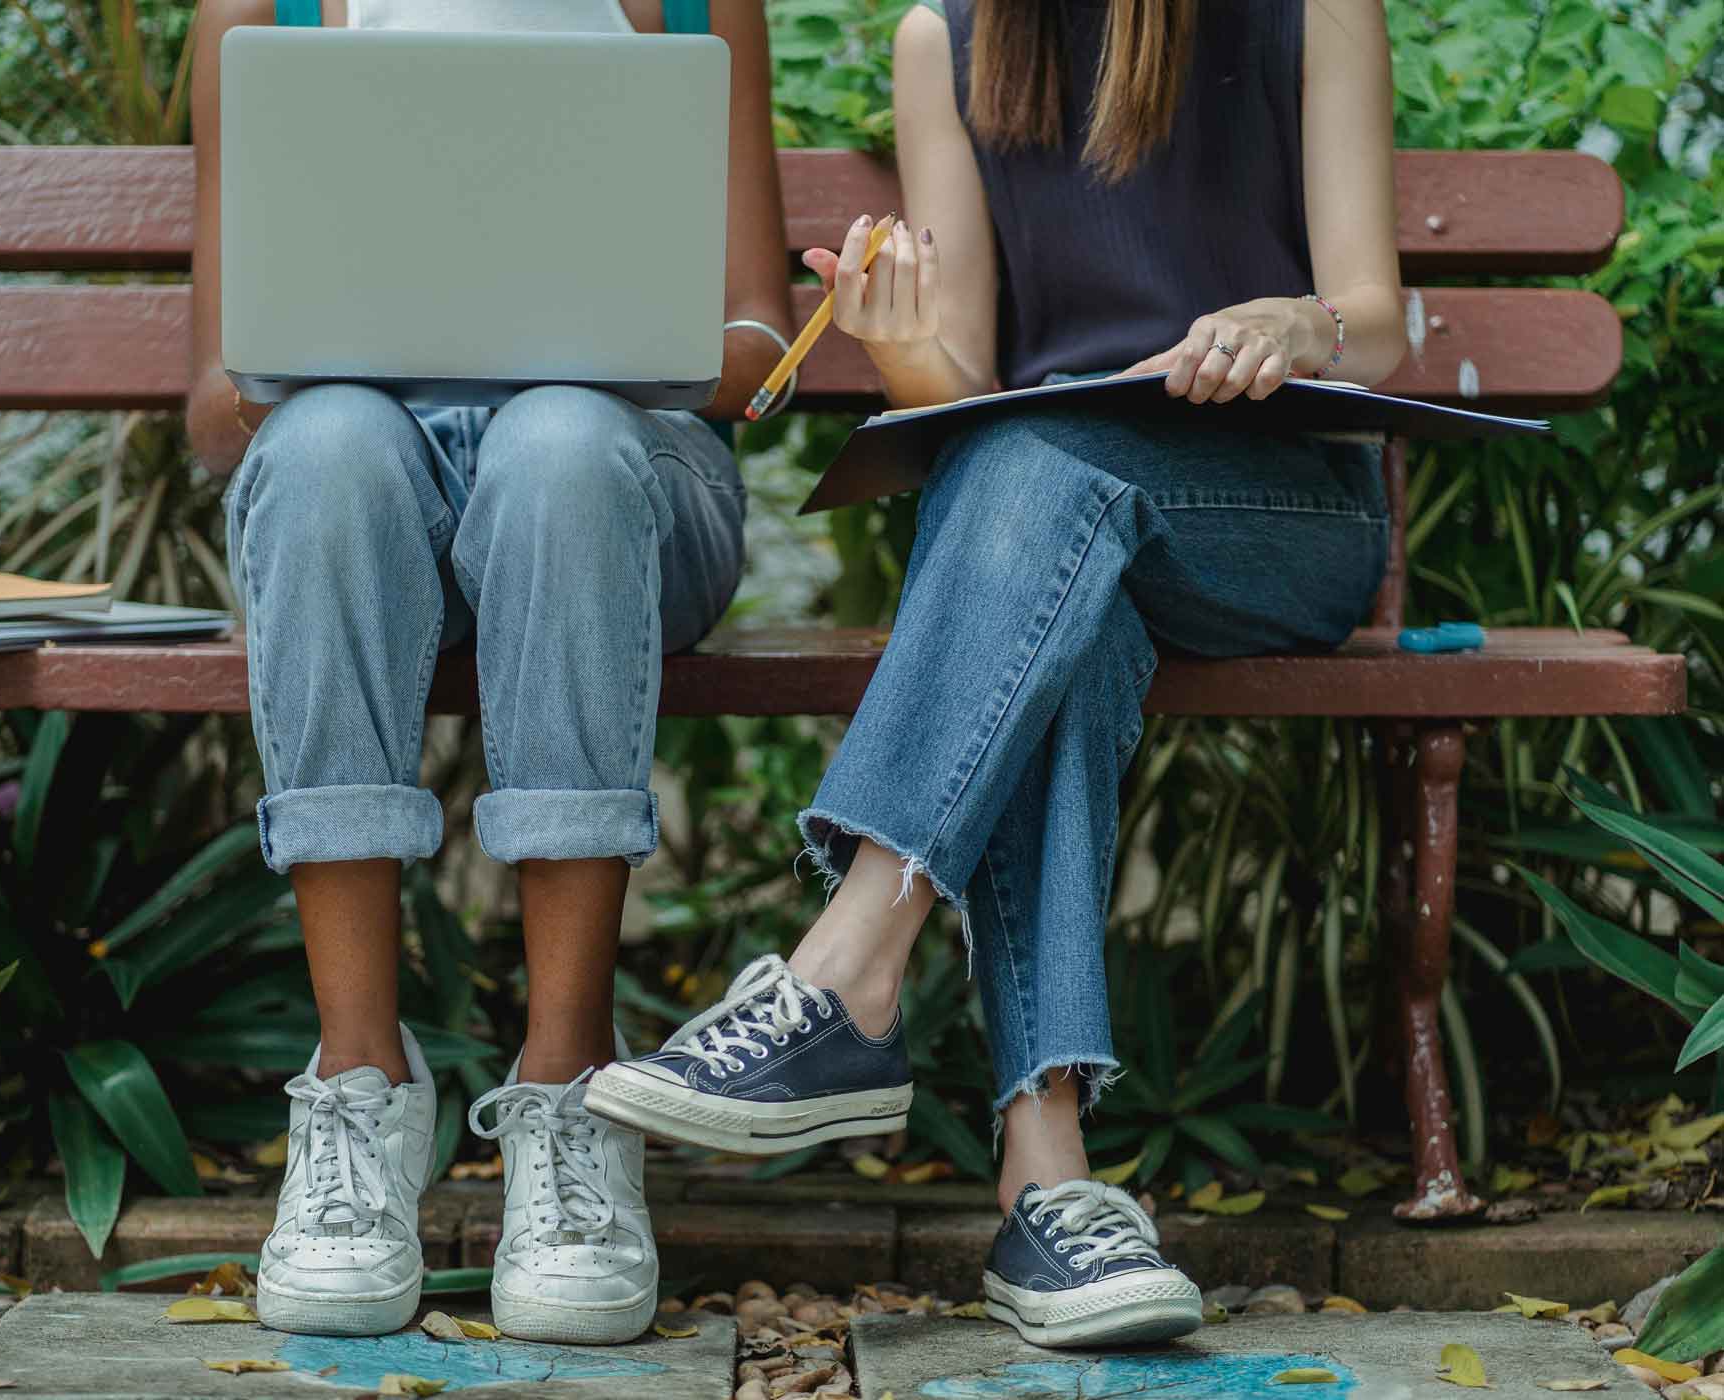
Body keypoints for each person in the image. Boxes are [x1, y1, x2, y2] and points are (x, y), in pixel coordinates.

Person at [586, 0, 1406, 1348]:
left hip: (1273, 515)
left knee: (1029, 481)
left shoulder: (1313, 9)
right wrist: (892, 334)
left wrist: (1296, 324)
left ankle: (845, 976)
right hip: (1053, 539)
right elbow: (957, 375)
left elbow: (1376, 323)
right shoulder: (946, 36)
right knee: (1046, 562)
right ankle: (1048, 1189)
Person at [184, 0, 792, 1343]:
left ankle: (571, 1096)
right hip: (369, 477)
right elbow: (218, 406)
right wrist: (328, 355)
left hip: (626, 482)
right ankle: (356, 1096)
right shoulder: (267, 14)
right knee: (329, 451)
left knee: (561, 445)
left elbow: (757, 330)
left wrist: (645, 351)